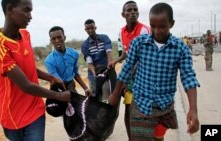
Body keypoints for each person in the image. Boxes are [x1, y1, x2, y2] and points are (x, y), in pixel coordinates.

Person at [108, 2, 200, 141]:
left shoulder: (180, 48)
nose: (157, 31)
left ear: (172, 23)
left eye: (162, 26)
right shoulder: (139, 43)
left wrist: (193, 110)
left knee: (158, 137)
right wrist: (115, 94)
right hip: (141, 104)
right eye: (153, 26)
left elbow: (188, 78)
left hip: (164, 105)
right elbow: (126, 69)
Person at [0, 0, 71, 141]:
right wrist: (58, 96)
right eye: (26, 10)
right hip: (14, 117)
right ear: (10, 9)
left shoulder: (25, 35)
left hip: (36, 111)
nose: (30, 16)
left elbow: (29, 67)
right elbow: (25, 85)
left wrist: (50, 77)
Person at [108, 1, 150, 139]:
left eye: (135, 10)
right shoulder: (121, 31)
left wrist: (127, 80)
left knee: (144, 110)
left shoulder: (144, 30)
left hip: (144, 76)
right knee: (128, 110)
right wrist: (115, 61)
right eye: (129, 10)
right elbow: (125, 53)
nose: (133, 12)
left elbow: (143, 58)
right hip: (130, 75)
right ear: (123, 14)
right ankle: (131, 138)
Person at [44, 26, 91, 96]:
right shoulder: (49, 61)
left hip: (71, 85)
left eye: (59, 37)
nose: (57, 41)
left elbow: (75, 73)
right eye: (54, 39)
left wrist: (86, 88)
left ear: (64, 38)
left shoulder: (74, 53)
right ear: (51, 41)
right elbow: (58, 81)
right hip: (58, 89)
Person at [81, 19, 113, 96]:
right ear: (85, 30)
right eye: (88, 29)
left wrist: (109, 63)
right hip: (93, 74)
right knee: (94, 97)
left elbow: (108, 51)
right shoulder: (85, 45)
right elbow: (89, 62)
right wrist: (94, 73)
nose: (90, 30)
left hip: (107, 70)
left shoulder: (104, 37)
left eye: (92, 28)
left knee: (108, 94)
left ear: (95, 27)